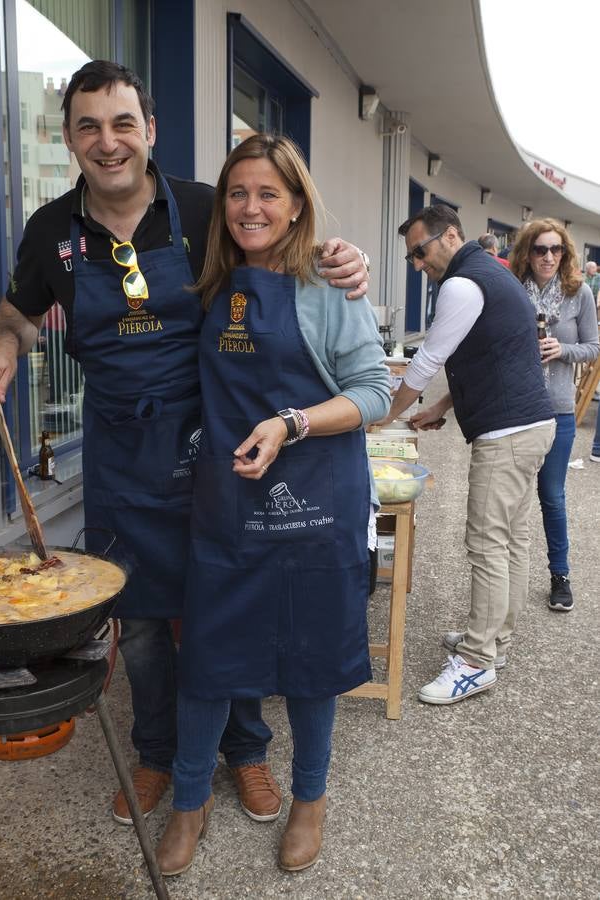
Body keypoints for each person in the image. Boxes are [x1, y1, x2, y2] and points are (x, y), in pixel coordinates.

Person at [0, 61, 371, 826]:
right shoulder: (52, 231)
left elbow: (282, 242)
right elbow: (20, 314)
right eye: (88, 126)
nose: (107, 141)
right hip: (122, 455)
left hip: (221, 443)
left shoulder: (204, 207)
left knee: (234, 605)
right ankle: (156, 754)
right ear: (69, 140)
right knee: (146, 624)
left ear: (149, 132)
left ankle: (246, 751)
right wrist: (3, 349)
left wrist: (342, 258)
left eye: (123, 124)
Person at [154, 134, 390, 876]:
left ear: (295, 208)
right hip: (228, 510)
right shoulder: (211, 282)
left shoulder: (328, 288)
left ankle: (310, 801)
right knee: (210, 665)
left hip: (316, 512)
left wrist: (292, 422)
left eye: (268, 194)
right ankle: (189, 804)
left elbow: (376, 393)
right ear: (222, 206)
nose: (250, 207)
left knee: (312, 666)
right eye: (237, 193)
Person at [378, 204, 555, 705]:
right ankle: (495, 639)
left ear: (450, 236)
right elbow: (489, 353)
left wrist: (382, 415)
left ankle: (476, 661)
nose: (416, 263)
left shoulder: (460, 284)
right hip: (531, 426)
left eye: (420, 250)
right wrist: (439, 407)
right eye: (411, 255)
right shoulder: (490, 275)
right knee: (511, 541)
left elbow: (429, 358)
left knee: (486, 544)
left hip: (508, 434)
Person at [509, 220, 599, 611]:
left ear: (565, 254)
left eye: (556, 249)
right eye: (540, 249)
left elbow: (593, 347)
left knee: (552, 496)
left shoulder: (578, 294)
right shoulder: (511, 290)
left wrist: (562, 349)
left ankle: (560, 575)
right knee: (509, 499)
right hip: (514, 408)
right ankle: (507, 581)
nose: (548, 257)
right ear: (527, 252)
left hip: (558, 410)